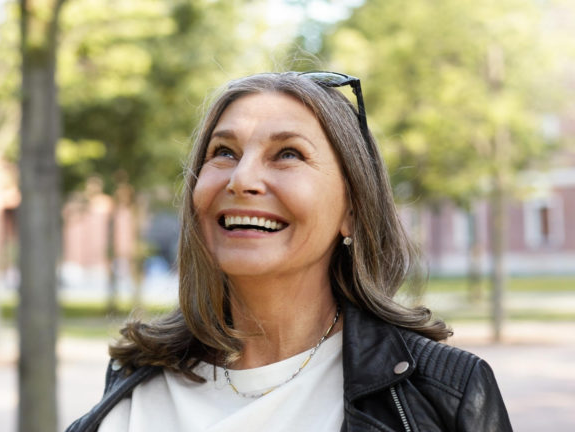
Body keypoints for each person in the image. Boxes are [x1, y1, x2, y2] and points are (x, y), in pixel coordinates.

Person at [66, 71, 512, 432]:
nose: (241, 179)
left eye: (288, 155)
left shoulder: (442, 394)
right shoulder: (134, 380)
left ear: (353, 210)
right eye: (223, 152)